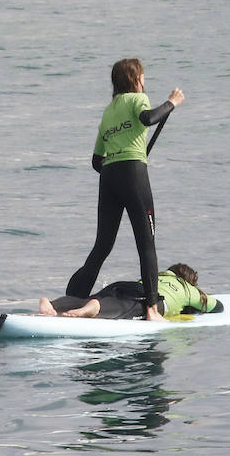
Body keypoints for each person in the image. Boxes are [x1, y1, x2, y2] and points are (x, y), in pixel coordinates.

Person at [63, 58, 185, 322]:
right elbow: (148, 118)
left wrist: (116, 173)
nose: (144, 81)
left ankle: (70, 301)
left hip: (108, 177)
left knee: (102, 246)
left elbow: (96, 161)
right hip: (133, 174)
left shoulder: (108, 111)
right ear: (136, 79)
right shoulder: (137, 99)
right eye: (143, 76)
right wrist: (171, 103)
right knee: (146, 244)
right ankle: (152, 309)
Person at [41, 263, 219, 319]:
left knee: (87, 300)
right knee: (125, 307)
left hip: (127, 285)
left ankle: (53, 304)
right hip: (151, 297)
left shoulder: (159, 275)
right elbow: (216, 306)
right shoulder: (188, 289)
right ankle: (95, 308)